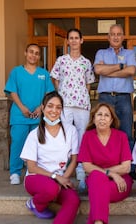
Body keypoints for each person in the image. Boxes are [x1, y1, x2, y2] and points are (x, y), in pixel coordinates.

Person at [20, 92, 80, 224]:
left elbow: (74, 159)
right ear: (43, 108)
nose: (54, 110)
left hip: (59, 181)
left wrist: (65, 178)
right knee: (51, 187)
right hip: (36, 179)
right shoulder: (34, 134)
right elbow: (31, 166)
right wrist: (56, 178)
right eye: (50, 106)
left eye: (58, 107)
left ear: (62, 110)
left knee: (73, 201)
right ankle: (36, 204)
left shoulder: (70, 131)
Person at [75, 102, 133, 224]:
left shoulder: (121, 136)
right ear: (93, 118)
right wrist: (111, 173)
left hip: (120, 184)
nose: (102, 118)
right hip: (101, 181)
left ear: (112, 119)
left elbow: (126, 167)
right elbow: (86, 166)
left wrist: (110, 173)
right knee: (95, 179)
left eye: (106, 115)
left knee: (96, 185)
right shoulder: (88, 136)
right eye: (99, 114)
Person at [50, 28, 95, 191]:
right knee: (63, 136)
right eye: (71, 38)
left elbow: (88, 83)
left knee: (82, 136)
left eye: (77, 38)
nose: (74, 41)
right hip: (65, 104)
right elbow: (54, 78)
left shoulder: (86, 62)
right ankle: (62, 170)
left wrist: (82, 95)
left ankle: (81, 171)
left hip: (82, 105)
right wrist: (62, 94)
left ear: (81, 40)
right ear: (67, 41)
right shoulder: (61, 60)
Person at [4, 43, 55, 185]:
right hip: (20, 115)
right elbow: (12, 91)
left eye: (37, 53)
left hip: (38, 116)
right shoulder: (16, 72)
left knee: (38, 146)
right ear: (25, 53)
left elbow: (49, 93)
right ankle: (15, 172)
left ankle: (32, 172)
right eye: (31, 52)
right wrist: (22, 108)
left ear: (39, 56)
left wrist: (40, 108)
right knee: (18, 143)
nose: (34, 55)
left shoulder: (44, 74)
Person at [93, 24, 136, 149]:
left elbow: (131, 71)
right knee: (103, 132)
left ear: (123, 37)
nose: (116, 37)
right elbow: (98, 70)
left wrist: (107, 70)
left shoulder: (129, 53)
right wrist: (120, 66)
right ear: (108, 37)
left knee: (126, 133)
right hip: (105, 98)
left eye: (119, 34)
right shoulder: (101, 53)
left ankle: (129, 167)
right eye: (113, 34)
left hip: (124, 98)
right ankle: (106, 163)